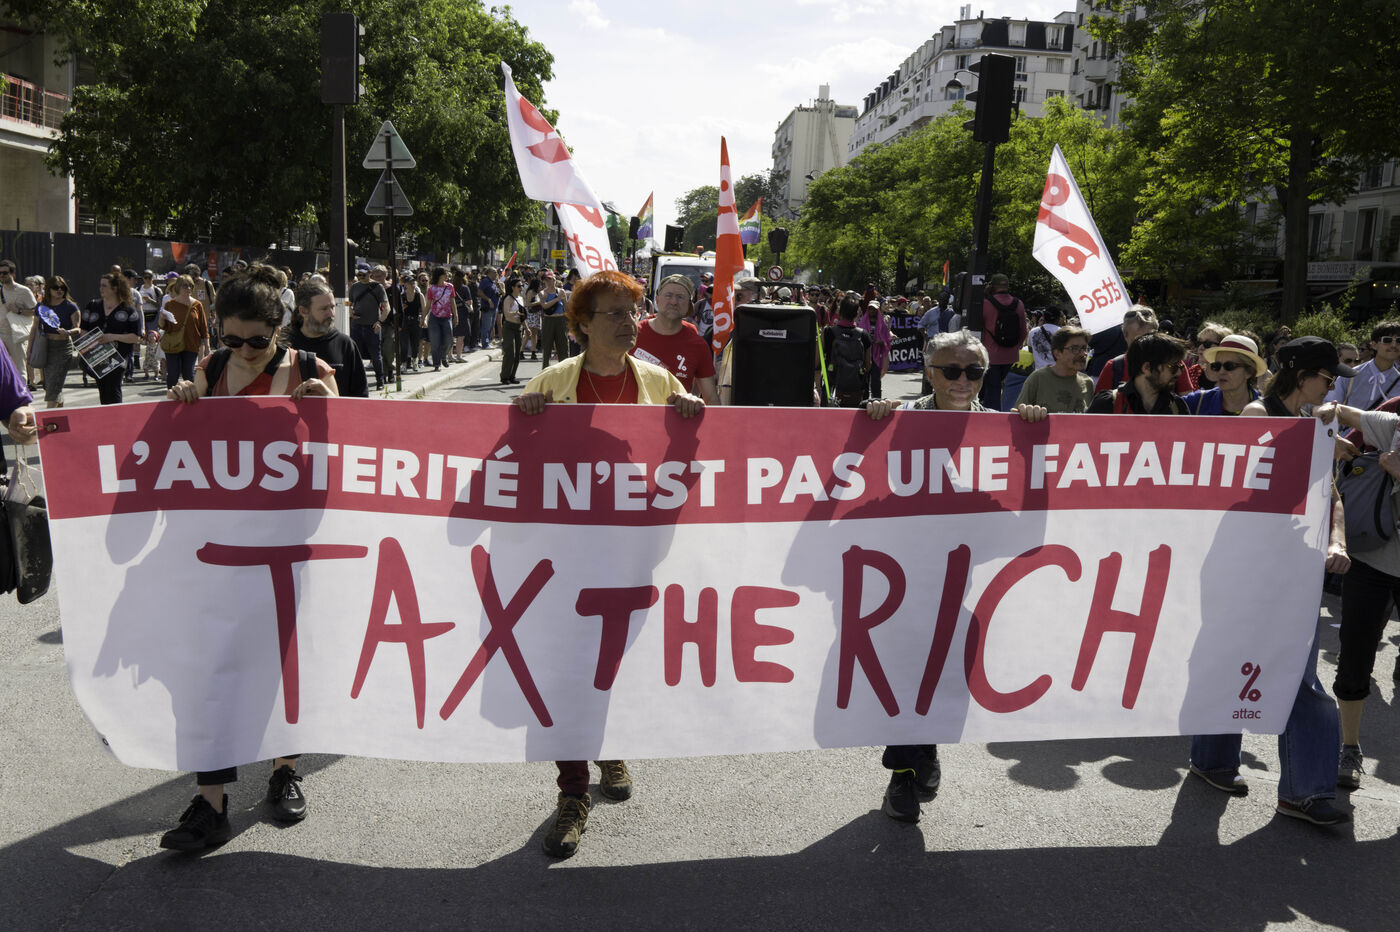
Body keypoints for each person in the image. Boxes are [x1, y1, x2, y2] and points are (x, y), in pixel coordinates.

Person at [514, 269, 703, 858]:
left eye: (632, 312)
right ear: (581, 325)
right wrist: (524, 422)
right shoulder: (552, 384)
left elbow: (690, 465)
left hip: (632, 553)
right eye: (614, 314)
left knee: (614, 661)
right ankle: (573, 792)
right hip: (565, 558)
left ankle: (610, 745)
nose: (629, 324)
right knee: (568, 669)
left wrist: (692, 419)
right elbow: (506, 467)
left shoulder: (660, 383)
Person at [160, 265, 337, 851]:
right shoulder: (210, 369)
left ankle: (285, 770)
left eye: (256, 340)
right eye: (232, 339)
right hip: (220, 548)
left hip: (290, 543)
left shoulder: (311, 369)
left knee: (285, 659)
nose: (244, 350)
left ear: (278, 327)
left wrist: (329, 408)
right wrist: (182, 402)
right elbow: (180, 451)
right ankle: (210, 802)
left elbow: (355, 454)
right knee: (211, 664)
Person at [863, 330, 1045, 823]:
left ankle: (925, 751)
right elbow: (850, 473)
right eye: (951, 370)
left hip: (963, 584)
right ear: (929, 372)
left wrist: (1031, 439)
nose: (963, 380)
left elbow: (1022, 519)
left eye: (974, 371)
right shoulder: (898, 420)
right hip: (898, 582)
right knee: (907, 679)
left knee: (944, 680)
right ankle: (902, 776)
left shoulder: (1001, 431)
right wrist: (867, 423)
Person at [1186, 336, 1353, 826]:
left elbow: (1333, 499)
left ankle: (1305, 790)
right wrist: (1315, 441)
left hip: (1292, 571)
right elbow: (1237, 488)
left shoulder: (1313, 425)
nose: (1331, 389)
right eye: (1327, 378)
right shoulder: (1258, 417)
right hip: (1244, 567)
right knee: (1229, 659)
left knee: (1299, 676)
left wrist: (1337, 542)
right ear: (1301, 375)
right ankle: (1214, 759)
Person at [631, 274, 718, 405]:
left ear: (689, 304)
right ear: (657, 300)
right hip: (634, 415)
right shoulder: (633, 335)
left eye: (680, 297)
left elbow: (711, 398)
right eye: (668, 295)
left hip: (677, 417)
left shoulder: (698, 345)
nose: (674, 302)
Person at [289, 279, 369, 397]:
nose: (331, 314)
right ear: (303, 311)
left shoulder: (345, 345)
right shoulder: (285, 344)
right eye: (324, 309)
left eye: (333, 307)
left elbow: (360, 396)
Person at [1087, 333, 1190, 415]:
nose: (1179, 372)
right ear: (1147, 368)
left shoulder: (1178, 407)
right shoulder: (1107, 403)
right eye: (1173, 366)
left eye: (1181, 366)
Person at [81, 273, 144, 405]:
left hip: (118, 358)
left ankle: (115, 415)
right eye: (100, 285)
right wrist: (88, 343)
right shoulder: (92, 306)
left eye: (104, 286)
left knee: (113, 389)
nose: (101, 288)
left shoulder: (128, 310)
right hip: (96, 356)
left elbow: (136, 337)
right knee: (103, 389)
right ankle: (107, 415)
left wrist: (113, 337)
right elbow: (84, 329)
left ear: (115, 288)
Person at [1017, 325, 1095, 413]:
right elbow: (1017, 414)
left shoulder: (1088, 383)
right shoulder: (1038, 379)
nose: (1083, 354)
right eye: (1075, 349)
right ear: (1057, 353)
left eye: (1084, 348)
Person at [978, 273, 1028, 409]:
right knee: (1009, 392)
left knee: (992, 391)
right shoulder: (1018, 304)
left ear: (993, 286)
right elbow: (1024, 332)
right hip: (1012, 357)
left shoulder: (986, 304)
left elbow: (978, 330)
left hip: (991, 356)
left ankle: (992, 418)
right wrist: (1014, 347)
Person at [1182, 334, 1265, 415]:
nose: (1221, 372)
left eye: (1229, 366)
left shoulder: (1267, 408)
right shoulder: (1197, 402)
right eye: (1216, 366)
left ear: (1249, 372)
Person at [1327, 320, 1400, 409]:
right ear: (1373, 344)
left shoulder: (1398, 381)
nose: (1393, 345)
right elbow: (1329, 406)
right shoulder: (1350, 376)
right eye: (1387, 340)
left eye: (1398, 340)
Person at [157, 275, 210, 388]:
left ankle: (190, 399)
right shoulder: (169, 304)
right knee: (172, 376)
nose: (188, 288)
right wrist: (161, 318)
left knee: (189, 376)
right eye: (185, 286)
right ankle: (172, 397)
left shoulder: (197, 305)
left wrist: (207, 347)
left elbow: (203, 328)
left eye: (191, 286)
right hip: (172, 344)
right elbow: (163, 327)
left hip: (191, 345)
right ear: (178, 287)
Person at [820, 295, 872, 408]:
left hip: (832, 387)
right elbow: (868, 365)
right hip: (858, 390)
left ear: (839, 311)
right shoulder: (864, 335)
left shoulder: (828, 332)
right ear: (856, 314)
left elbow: (817, 361)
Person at [349, 264, 389, 390]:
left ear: (369, 273)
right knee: (356, 355)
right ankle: (358, 382)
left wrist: (379, 322)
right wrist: (350, 310)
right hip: (356, 325)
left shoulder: (377, 287)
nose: (361, 276)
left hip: (372, 327)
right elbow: (348, 302)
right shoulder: (354, 287)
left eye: (363, 274)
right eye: (359, 274)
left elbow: (386, 307)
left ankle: (380, 381)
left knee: (376, 355)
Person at [0, 259, 37, 386]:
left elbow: (36, 311)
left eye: (5, 273)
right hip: (1, 334)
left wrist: (19, 310)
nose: (2, 275)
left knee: (19, 368)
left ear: (13, 273)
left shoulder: (24, 291)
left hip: (17, 335)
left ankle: (22, 394)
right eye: (0, 273)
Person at [856, 300, 893, 400]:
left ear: (878, 310)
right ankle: (863, 399)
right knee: (864, 377)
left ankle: (876, 399)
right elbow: (858, 336)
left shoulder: (882, 323)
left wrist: (882, 341)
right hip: (864, 353)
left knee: (876, 377)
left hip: (876, 354)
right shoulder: (863, 321)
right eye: (870, 308)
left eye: (874, 309)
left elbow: (887, 337)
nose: (872, 310)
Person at [424, 268, 457, 372]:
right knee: (435, 341)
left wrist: (456, 316)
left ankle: (443, 356)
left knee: (449, 339)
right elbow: (428, 305)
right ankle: (437, 364)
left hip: (447, 317)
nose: (447, 275)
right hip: (434, 317)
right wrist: (423, 318)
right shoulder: (431, 288)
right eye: (445, 274)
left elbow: (453, 302)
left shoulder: (450, 287)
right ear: (439, 275)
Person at [537, 269, 568, 366]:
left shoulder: (561, 291)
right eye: (546, 280)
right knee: (547, 346)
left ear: (555, 280)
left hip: (560, 320)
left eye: (550, 279)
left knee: (563, 346)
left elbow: (566, 308)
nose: (549, 282)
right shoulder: (542, 293)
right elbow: (545, 306)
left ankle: (563, 369)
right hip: (548, 320)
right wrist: (557, 299)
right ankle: (546, 368)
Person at [498, 276, 525, 385]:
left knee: (517, 353)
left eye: (522, 286)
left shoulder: (521, 299)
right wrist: (515, 313)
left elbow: (523, 316)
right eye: (519, 286)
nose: (521, 288)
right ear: (513, 287)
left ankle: (512, 376)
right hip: (509, 327)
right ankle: (504, 376)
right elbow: (506, 314)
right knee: (510, 352)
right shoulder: (508, 299)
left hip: (518, 327)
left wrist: (527, 328)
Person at [398, 274, 424, 373]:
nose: (413, 285)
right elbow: (396, 310)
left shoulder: (419, 295)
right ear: (405, 285)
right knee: (403, 345)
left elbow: (424, 309)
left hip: (415, 321)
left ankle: (414, 362)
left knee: (415, 344)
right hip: (404, 321)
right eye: (410, 283)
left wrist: (424, 320)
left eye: (414, 283)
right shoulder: (401, 296)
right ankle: (404, 364)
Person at [1027, 306, 1064, 371]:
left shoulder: (1032, 331)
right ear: (1058, 318)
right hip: (1057, 371)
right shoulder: (1063, 332)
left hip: (1038, 372)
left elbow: (1030, 350)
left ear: (1043, 317)